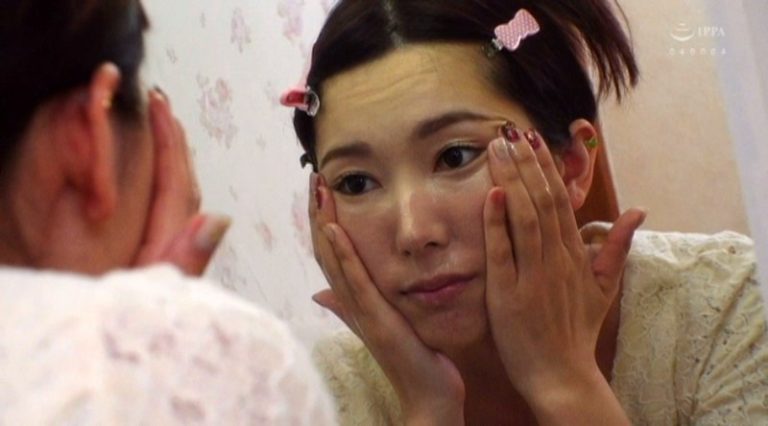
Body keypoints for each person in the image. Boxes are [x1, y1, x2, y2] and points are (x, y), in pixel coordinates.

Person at [281, 0, 768, 424]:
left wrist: (563, 382)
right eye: (355, 183)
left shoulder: (732, 308)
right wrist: (429, 409)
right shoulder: (315, 394)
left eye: (455, 156)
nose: (414, 232)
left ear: (572, 165)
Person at [0, 1, 334, 424]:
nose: (408, 231)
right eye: (356, 182)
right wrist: (152, 347)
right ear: (87, 140)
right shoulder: (240, 371)